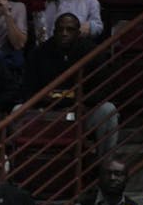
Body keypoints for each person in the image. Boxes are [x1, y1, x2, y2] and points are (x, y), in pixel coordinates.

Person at [22, 13, 120, 159]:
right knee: (17, 111)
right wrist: (45, 104)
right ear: (54, 31)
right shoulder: (39, 53)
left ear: (78, 33)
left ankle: (105, 165)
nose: (64, 33)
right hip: (46, 112)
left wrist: (83, 103)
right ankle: (22, 167)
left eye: (70, 29)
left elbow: (104, 88)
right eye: (60, 29)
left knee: (108, 110)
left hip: (83, 111)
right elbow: (28, 88)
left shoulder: (92, 51)